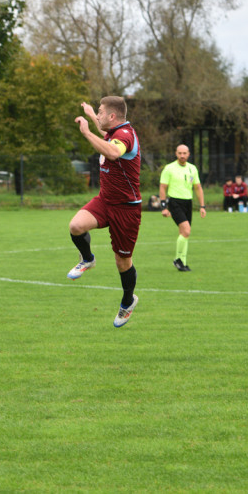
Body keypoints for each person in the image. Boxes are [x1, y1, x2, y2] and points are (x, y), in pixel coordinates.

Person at [66, 97, 142, 328]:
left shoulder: (125, 137)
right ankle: (88, 259)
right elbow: (103, 130)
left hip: (126, 209)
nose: (98, 116)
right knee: (75, 226)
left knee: (123, 261)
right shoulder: (113, 129)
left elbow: (113, 153)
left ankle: (128, 302)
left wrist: (88, 133)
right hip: (105, 201)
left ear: (112, 116)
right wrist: (90, 113)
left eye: (100, 112)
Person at [158, 144, 206, 272]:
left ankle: (182, 262)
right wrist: (164, 206)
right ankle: (179, 260)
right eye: (180, 153)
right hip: (174, 202)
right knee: (186, 231)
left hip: (187, 203)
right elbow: (163, 187)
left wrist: (202, 206)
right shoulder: (169, 168)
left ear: (189, 154)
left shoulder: (192, 169)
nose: (182, 156)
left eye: (184, 153)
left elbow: (197, 187)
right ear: (176, 153)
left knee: (184, 233)